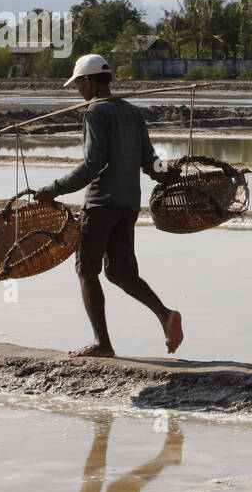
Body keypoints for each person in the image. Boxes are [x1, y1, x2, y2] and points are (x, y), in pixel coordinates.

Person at [34, 54, 183, 358]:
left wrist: (53, 189)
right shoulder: (131, 112)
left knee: (86, 270)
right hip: (128, 204)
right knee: (119, 272)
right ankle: (166, 315)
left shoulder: (94, 112)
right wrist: (165, 174)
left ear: (88, 81)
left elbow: (93, 164)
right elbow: (149, 160)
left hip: (101, 203)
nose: (78, 90)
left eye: (78, 84)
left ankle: (103, 344)